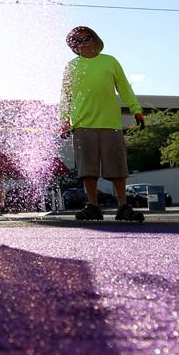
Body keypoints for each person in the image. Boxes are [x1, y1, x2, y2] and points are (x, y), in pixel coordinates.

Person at [59, 26, 145, 221]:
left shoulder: (110, 61)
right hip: (82, 124)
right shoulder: (71, 66)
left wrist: (136, 109)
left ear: (95, 39)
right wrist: (64, 120)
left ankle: (123, 206)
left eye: (86, 38)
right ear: (74, 46)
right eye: (77, 41)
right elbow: (65, 96)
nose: (82, 43)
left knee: (117, 166)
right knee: (87, 169)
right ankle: (92, 206)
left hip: (110, 122)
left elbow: (124, 87)